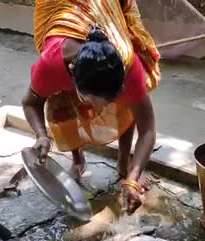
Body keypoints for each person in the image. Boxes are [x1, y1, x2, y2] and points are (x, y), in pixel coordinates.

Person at [22, 0, 161, 215]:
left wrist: (133, 179)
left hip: (100, 8)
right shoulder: (51, 65)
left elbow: (148, 129)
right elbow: (30, 102)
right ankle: (78, 159)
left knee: (127, 107)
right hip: (66, 12)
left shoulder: (128, 65)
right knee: (61, 109)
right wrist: (41, 135)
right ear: (71, 74)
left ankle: (124, 161)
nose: (98, 111)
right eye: (92, 101)